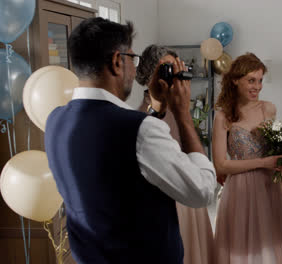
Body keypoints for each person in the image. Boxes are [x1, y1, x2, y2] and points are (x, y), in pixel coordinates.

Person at [44, 17, 216, 264]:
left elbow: (121, 168)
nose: (135, 70)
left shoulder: (55, 121)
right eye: (132, 59)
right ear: (117, 61)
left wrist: (156, 110)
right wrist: (183, 115)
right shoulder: (139, 128)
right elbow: (202, 192)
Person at [212, 52, 282, 263]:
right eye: (251, 80)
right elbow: (220, 165)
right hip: (239, 191)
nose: (257, 86)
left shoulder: (268, 109)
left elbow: (273, 151)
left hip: (270, 188)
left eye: (260, 81)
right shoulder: (222, 116)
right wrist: (263, 163)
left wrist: (280, 160)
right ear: (235, 80)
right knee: (244, 250)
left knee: (273, 248)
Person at [136, 44, 214, 264]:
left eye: (175, 69)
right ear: (149, 75)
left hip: (190, 185)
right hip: (167, 196)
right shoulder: (142, 119)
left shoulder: (181, 111)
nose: (171, 76)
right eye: (166, 70)